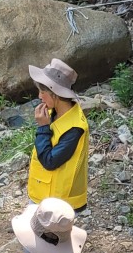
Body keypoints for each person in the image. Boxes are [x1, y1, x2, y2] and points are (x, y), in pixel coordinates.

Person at [26, 58, 90, 212]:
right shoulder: (52, 112)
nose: (39, 96)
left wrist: (43, 128)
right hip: (44, 195)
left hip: (58, 205)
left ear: (54, 93)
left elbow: (50, 161)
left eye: (43, 92)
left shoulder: (75, 128)